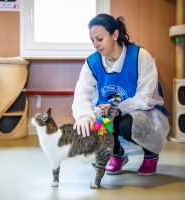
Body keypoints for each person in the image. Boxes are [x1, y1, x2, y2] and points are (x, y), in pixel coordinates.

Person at [72, 13, 170, 176]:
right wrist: (84, 116)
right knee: (99, 125)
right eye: (92, 40)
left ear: (115, 34)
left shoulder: (140, 56)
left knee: (125, 125)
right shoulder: (92, 63)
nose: (95, 45)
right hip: (108, 115)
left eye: (100, 39)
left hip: (142, 113)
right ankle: (116, 153)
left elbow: (146, 97)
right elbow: (82, 93)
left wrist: (117, 107)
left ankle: (151, 153)